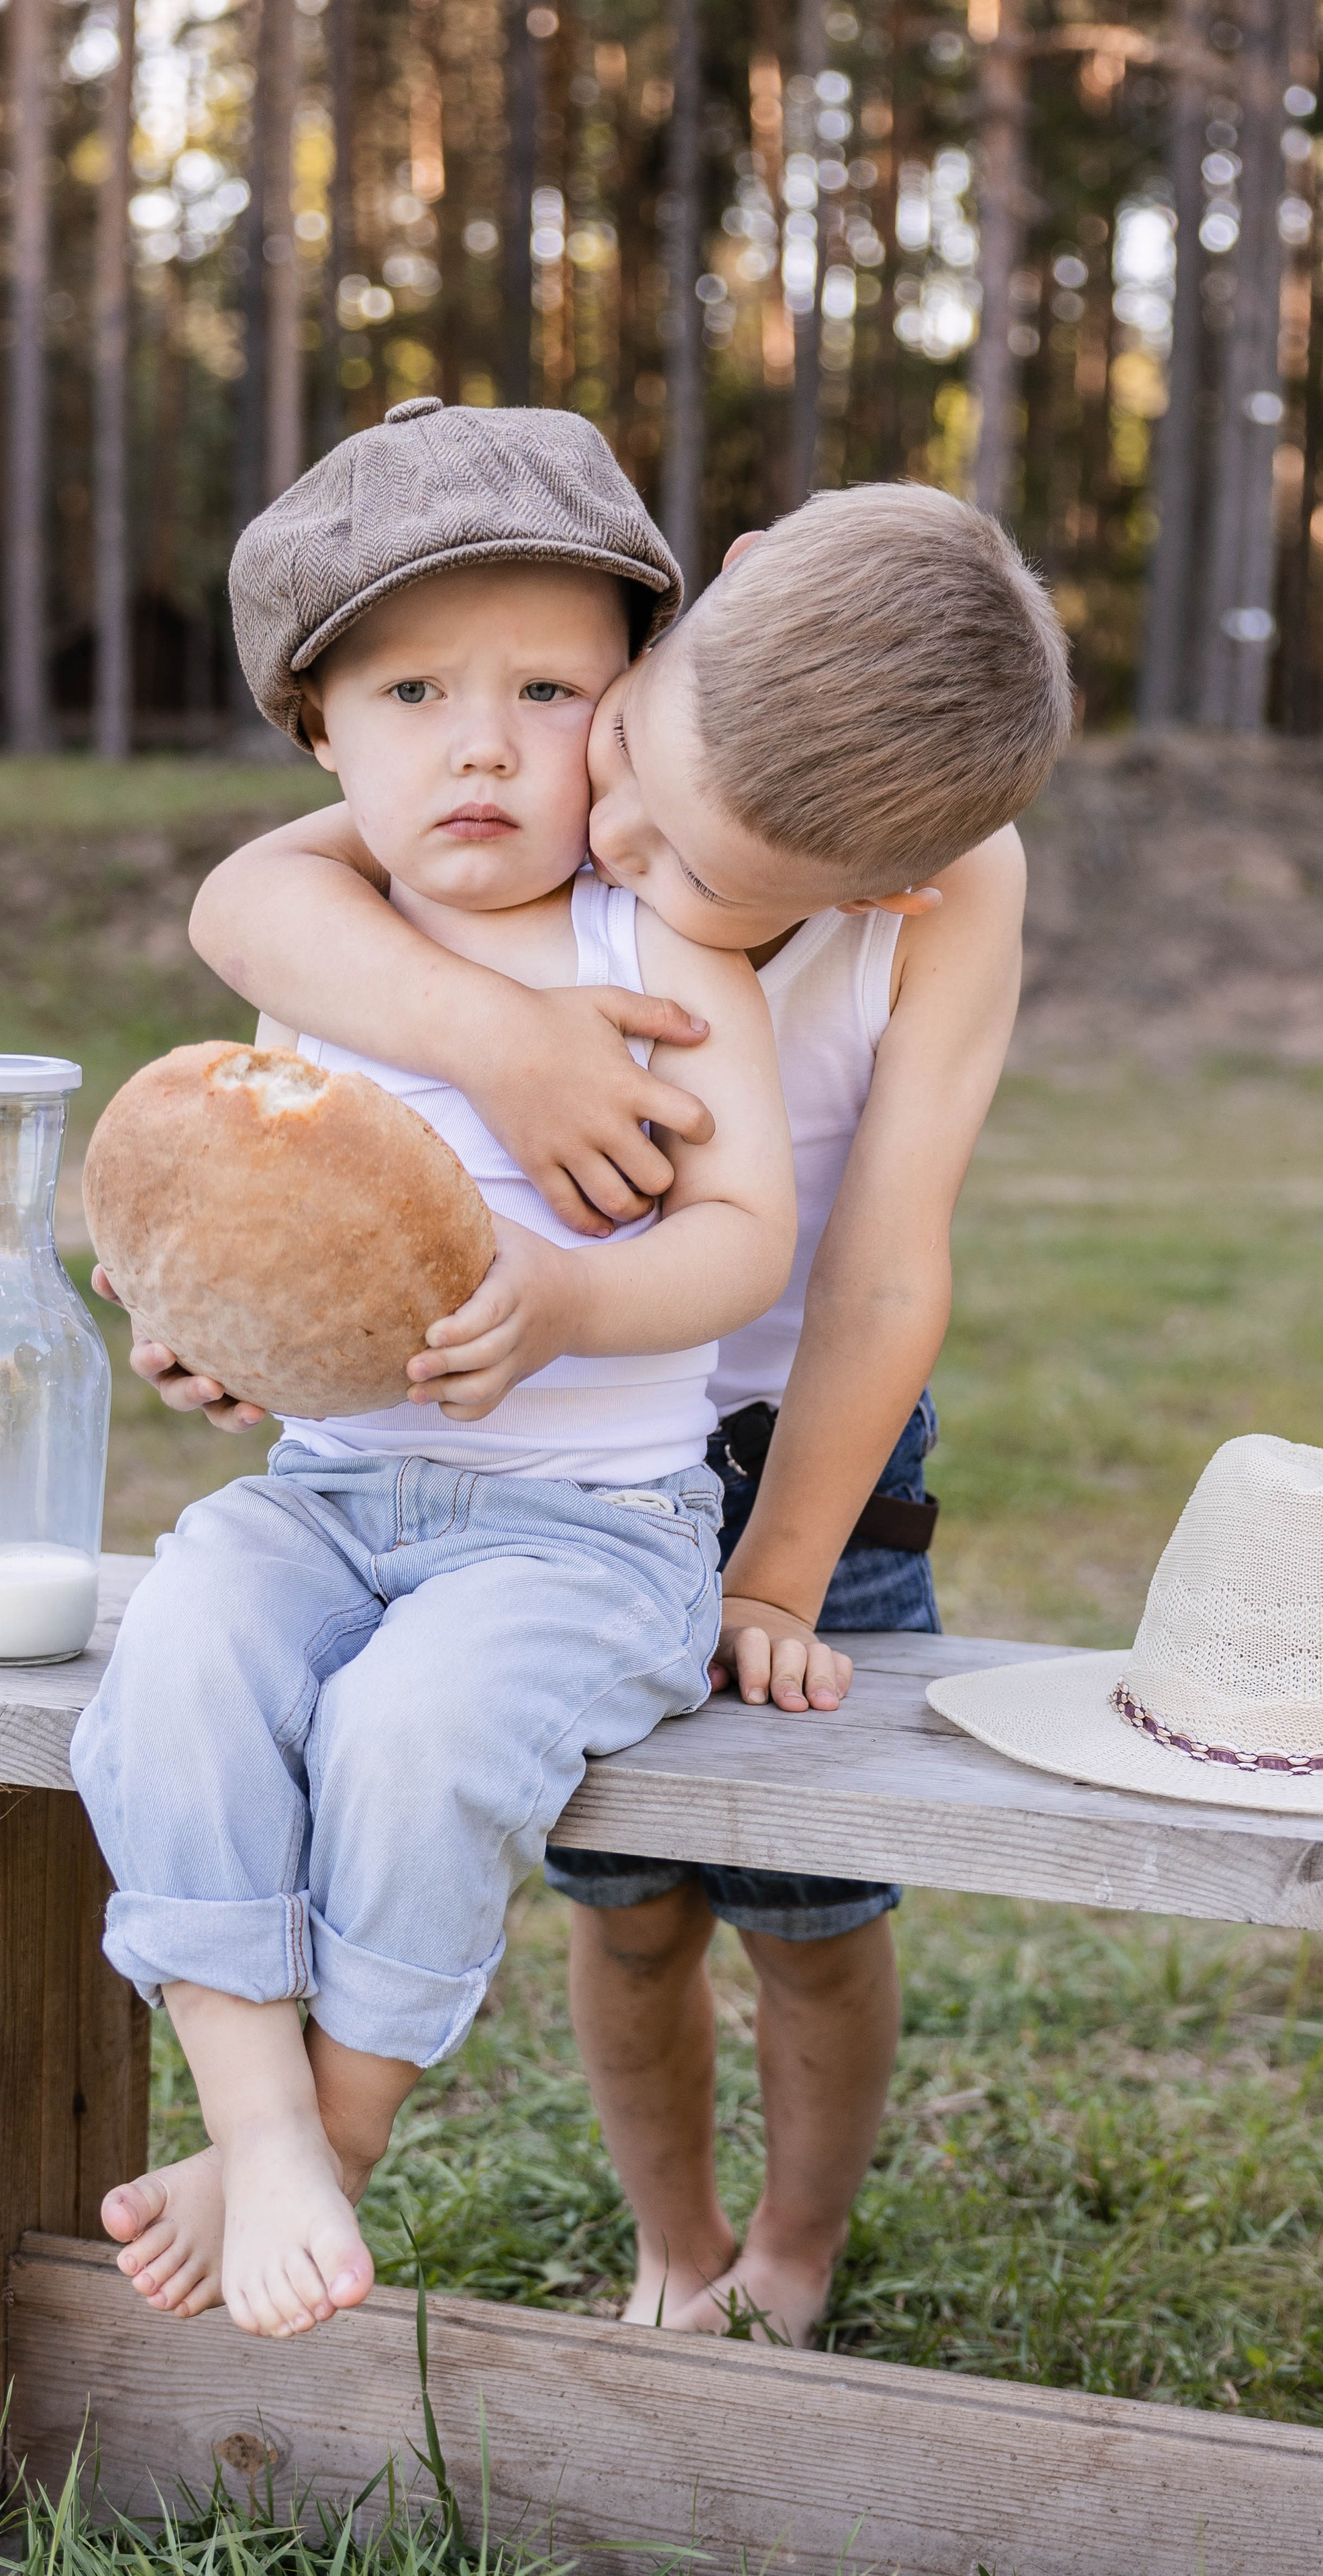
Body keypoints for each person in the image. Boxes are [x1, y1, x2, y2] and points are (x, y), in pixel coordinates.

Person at [168, 445, 1073, 2349]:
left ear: (880, 887)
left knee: (810, 1906)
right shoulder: (557, 765)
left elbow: (885, 1264)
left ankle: (801, 2247)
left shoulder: (951, 880)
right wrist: (503, 1047)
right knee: (624, 1895)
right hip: (536, 1446)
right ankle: (673, 2241)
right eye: (636, 782)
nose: (620, 847)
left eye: (698, 875)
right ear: (704, 604)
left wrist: (782, 1571)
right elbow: (259, 898)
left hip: (803, 1441)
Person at [72, 398, 799, 2343]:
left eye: (548, 685)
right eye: (409, 690)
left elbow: (746, 1240)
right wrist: (204, 1334)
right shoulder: (316, 954)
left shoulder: (662, 943)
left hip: (583, 1533)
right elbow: (248, 1226)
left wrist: (567, 1300)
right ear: (322, 731)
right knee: (190, 1632)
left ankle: (335, 2127)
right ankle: (250, 2102)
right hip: (330, 1496)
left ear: (632, 710)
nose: (480, 739)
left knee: (416, 1728)